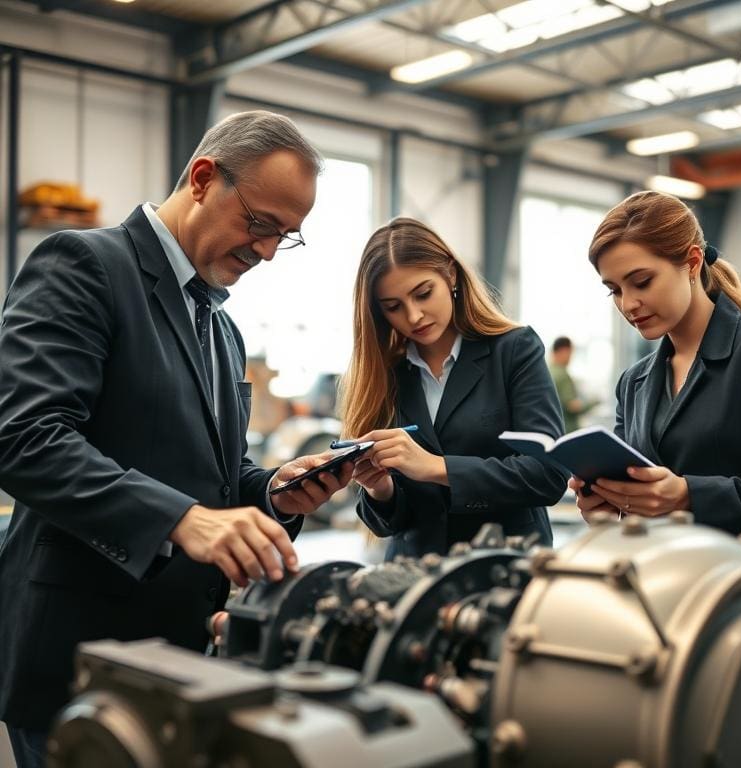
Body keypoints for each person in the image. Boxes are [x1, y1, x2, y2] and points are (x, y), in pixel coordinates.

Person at [0, 111, 354, 766]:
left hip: (179, 658)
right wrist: (180, 519)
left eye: (287, 236)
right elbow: (26, 436)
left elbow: (215, 477)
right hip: (80, 654)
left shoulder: (221, 328)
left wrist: (275, 494)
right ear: (202, 179)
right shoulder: (85, 265)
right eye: (261, 223)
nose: (269, 251)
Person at [572, 191, 741, 604]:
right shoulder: (635, 382)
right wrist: (611, 510)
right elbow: (646, 496)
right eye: (613, 290)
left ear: (692, 262)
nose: (629, 304)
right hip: (680, 598)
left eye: (642, 281)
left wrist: (688, 494)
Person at [339, 218, 569, 559]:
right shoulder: (385, 374)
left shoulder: (514, 350)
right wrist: (380, 488)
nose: (414, 316)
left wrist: (435, 467)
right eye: (393, 307)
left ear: (450, 274)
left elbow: (548, 475)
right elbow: (387, 524)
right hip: (415, 579)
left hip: (505, 569)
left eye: (423, 293)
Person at [548, 336, 598, 432]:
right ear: (564, 351)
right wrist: (594, 402)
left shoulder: (548, 371)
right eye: (570, 352)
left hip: (554, 429)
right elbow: (572, 406)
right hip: (567, 431)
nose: (571, 357)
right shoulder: (562, 374)